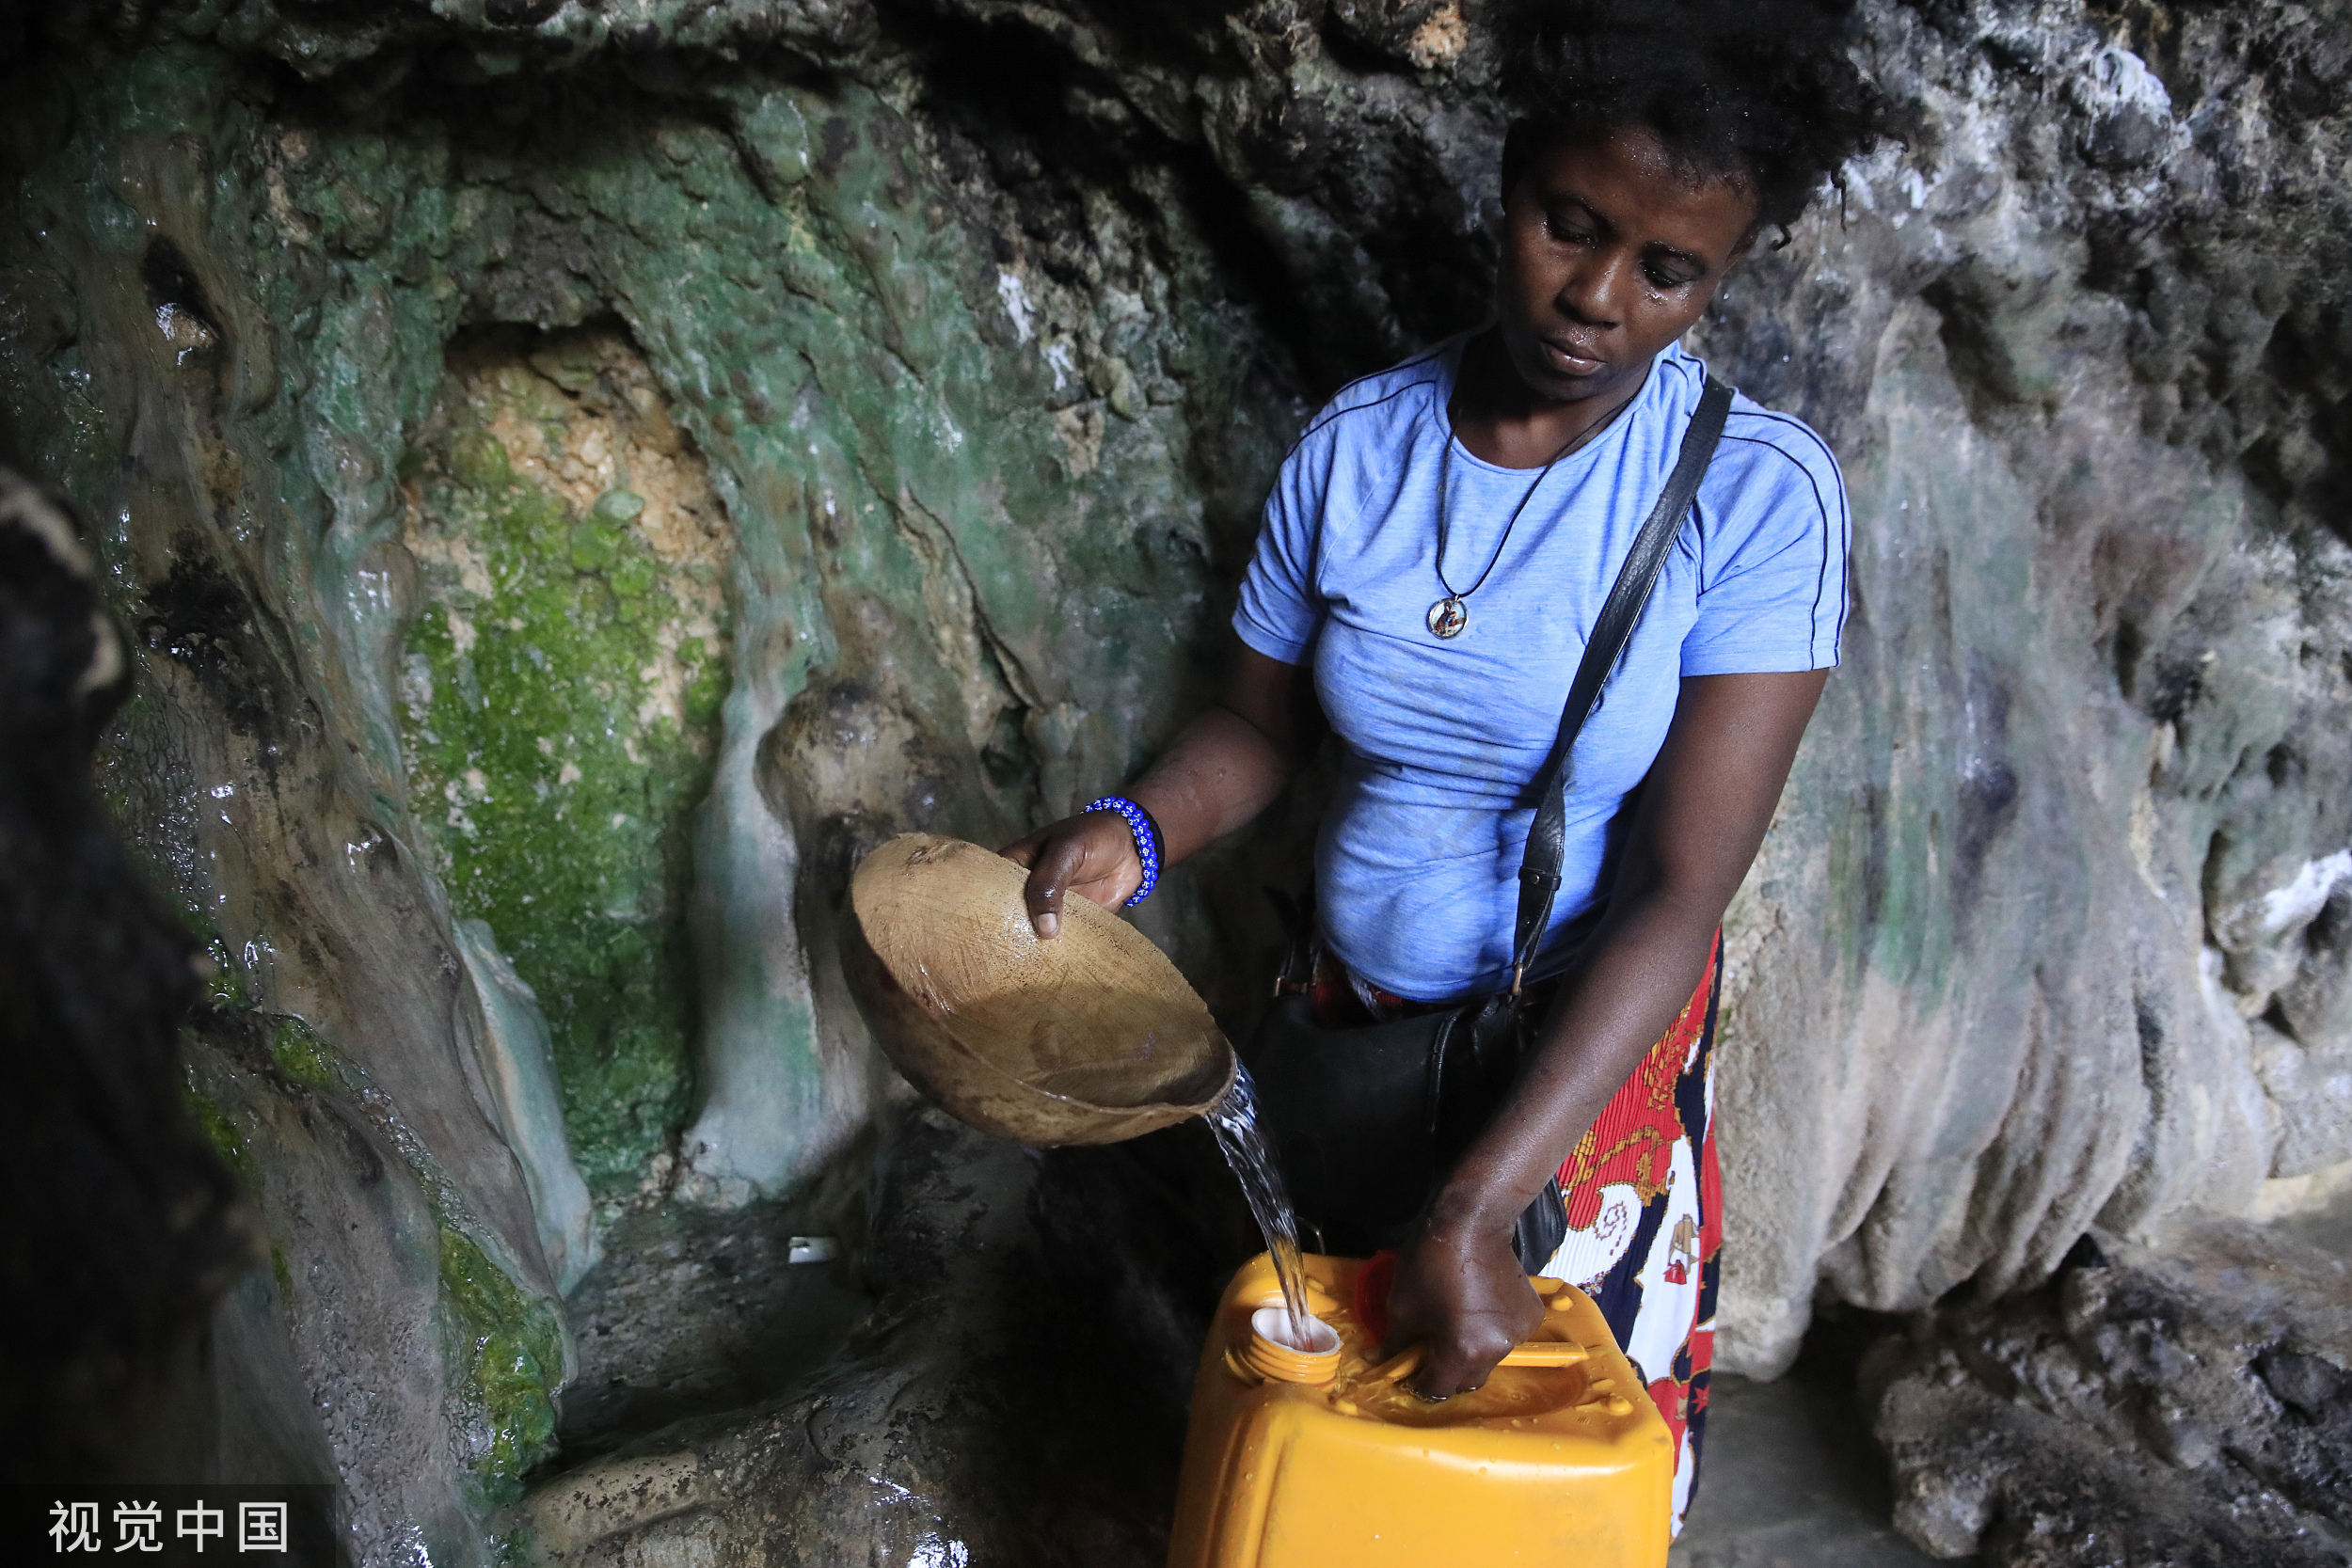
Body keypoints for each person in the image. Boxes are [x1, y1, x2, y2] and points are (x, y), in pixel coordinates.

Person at [1004, 0, 1890, 1528]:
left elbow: (1683, 891)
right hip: (1351, 1041)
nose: (1597, 296)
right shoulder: (1358, 448)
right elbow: (1258, 729)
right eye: (1570, 225)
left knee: (1532, 1500)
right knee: (1333, 1488)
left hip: (1563, 1088)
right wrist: (1131, 837)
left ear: (1719, 275)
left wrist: (1480, 1204)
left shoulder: (1752, 496)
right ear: (1512, 181)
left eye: (1666, 269)